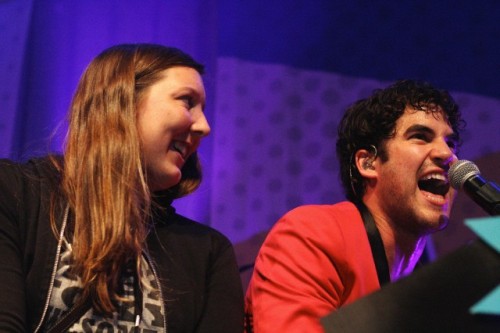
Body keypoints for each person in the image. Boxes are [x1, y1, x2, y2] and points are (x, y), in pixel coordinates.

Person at [0, 44, 244, 332]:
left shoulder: (208, 253)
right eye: (187, 102)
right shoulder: (14, 193)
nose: (204, 127)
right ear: (124, 101)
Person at [244, 79, 465, 332]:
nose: (448, 155)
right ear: (368, 163)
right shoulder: (313, 234)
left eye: (451, 143)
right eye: (420, 137)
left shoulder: (429, 291)